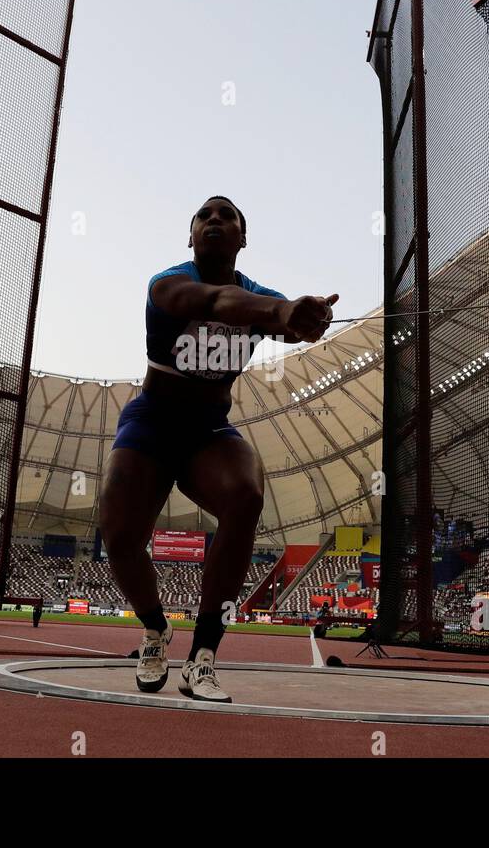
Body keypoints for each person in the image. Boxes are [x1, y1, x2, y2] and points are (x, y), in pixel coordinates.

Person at [98, 196, 337, 702]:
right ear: (190, 236)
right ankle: (155, 630)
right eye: (204, 215)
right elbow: (217, 304)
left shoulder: (260, 295)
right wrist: (282, 311)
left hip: (208, 432)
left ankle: (203, 655)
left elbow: (283, 320)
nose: (214, 221)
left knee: (246, 495)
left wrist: (304, 320)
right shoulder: (167, 285)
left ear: (242, 239)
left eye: (226, 216)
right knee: (118, 535)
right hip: (152, 424)